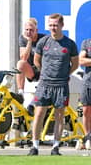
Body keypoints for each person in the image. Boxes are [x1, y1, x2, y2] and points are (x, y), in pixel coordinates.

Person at [28, 13, 79, 156]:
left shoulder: (69, 44)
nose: (53, 28)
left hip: (61, 85)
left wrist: (65, 74)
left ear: (62, 25)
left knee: (59, 116)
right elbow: (37, 61)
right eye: (50, 25)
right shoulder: (43, 42)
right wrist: (44, 73)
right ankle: (35, 146)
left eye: (56, 25)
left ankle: (55, 147)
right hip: (44, 84)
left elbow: (75, 63)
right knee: (38, 115)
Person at [16, 18, 45, 100]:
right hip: (32, 71)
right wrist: (29, 42)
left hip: (44, 70)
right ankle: (20, 93)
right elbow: (23, 58)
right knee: (20, 63)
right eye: (27, 30)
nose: (28, 32)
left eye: (31, 30)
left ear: (36, 30)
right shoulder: (23, 38)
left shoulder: (43, 39)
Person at [79, 38, 91, 149]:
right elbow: (81, 60)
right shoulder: (86, 42)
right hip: (88, 82)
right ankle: (88, 137)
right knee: (86, 110)